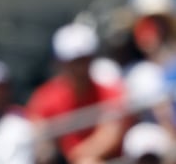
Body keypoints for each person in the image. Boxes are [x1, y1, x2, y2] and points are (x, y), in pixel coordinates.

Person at [26, 21, 127, 163]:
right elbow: (38, 136)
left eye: (84, 60)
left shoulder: (110, 92)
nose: (80, 68)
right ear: (60, 63)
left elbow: (111, 135)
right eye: (74, 62)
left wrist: (77, 157)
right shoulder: (44, 97)